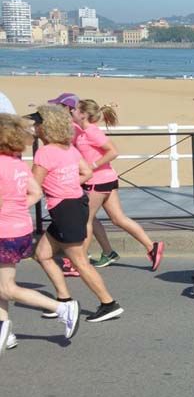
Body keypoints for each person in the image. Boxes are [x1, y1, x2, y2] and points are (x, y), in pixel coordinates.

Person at [30, 105, 124, 323]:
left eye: (37, 123)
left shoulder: (44, 152)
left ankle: (108, 303)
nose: (34, 127)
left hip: (65, 209)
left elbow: (33, 187)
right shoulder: (68, 149)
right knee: (42, 254)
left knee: (80, 262)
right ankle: (63, 301)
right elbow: (87, 171)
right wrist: (68, 184)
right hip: (76, 204)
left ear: (46, 127)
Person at [1, 114, 80, 356]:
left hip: (4, 232)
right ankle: (6, 333)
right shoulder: (17, 165)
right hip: (20, 229)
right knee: (2, 284)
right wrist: (15, 206)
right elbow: (35, 193)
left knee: (6, 288)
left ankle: (61, 308)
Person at [69, 99, 164, 270]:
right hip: (106, 179)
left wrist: (92, 165)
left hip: (97, 181)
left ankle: (79, 262)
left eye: (74, 109)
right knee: (118, 218)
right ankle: (151, 247)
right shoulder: (82, 130)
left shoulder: (92, 132)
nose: (72, 111)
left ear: (83, 114)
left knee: (86, 220)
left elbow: (113, 151)